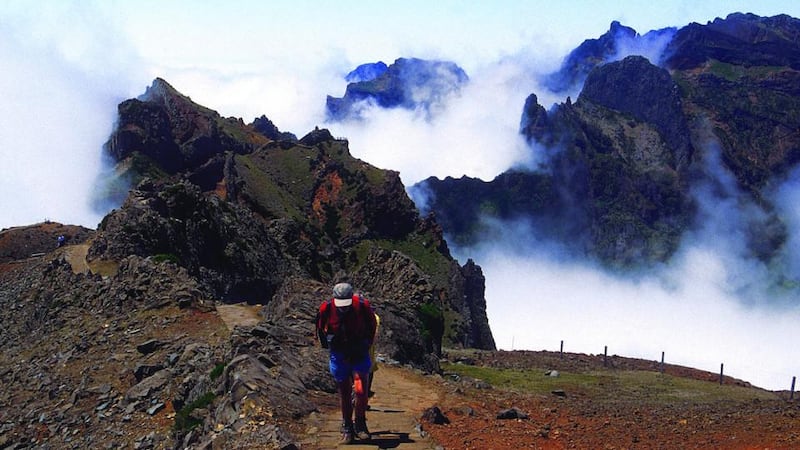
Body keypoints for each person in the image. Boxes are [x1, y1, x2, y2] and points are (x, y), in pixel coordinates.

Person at [316, 282, 377, 444]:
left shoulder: (362, 306)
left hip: (358, 353)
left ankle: (360, 423)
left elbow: (372, 325)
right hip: (339, 354)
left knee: (360, 389)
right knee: (344, 392)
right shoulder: (326, 308)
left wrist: (367, 344)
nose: (343, 308)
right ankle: (347, 427)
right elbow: (321, 328)